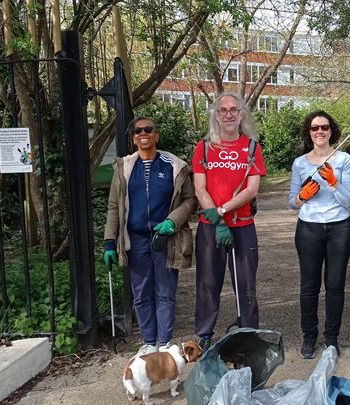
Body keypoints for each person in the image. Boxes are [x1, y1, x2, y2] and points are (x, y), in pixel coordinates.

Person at [104, 116, 197, 356]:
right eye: (137, 131)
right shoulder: (124, 167)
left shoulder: (174, 165)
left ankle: (164, 342)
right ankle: (148, 341)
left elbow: (190, 199)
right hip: (135, 241)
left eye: (148, 129)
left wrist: (172, 221)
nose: (142, 133)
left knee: (165, 292)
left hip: (165, 238)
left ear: (156, 135)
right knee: (141, 292)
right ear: (133, 138)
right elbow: (114, 207)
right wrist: (109, 243)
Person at [191, 92, 266, 350]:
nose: (229, 114)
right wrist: (217, 219)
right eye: (223, 110)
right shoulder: (204, 147)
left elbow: (251, 189)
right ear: (216, 115)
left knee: (246, 283)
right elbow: (200, 188)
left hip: (243, 225)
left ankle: (249, 332)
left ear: (241, 114)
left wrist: (221, 210)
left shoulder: (252, 147)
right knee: (208, 282)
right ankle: (203, 333)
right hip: (210, 228)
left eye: (234, 109)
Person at [288, 110, 350, 359]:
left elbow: (348, 201)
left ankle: (331, 339)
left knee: (335, 286)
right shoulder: (300, 163)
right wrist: (302, 197)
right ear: (309, 131)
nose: (320, 132)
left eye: (324, 127)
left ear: (331, 130)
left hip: (339, 228)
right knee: (309, 287)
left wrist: (334, 182)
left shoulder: (343, 159)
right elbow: (292, 203)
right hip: (308, 229)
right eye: (315, 128)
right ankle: (309, 337)